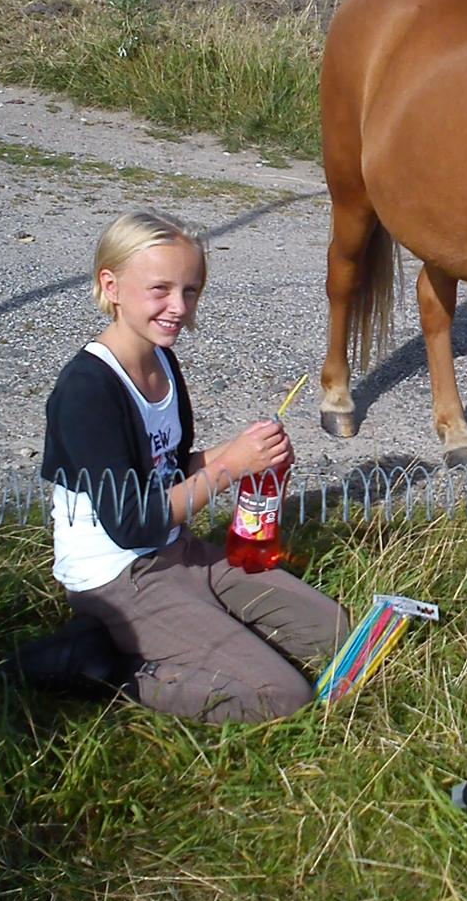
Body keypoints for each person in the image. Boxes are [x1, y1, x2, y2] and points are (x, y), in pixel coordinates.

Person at [39, 210, 347, 724]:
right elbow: (132, 521)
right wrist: (227, 466)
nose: (178, 307)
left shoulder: (162, 361)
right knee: (282, 696)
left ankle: (195, 630)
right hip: (115, 576)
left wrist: (250, 456)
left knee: (336, 634)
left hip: (176, 550)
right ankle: (108, 667)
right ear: (110, 285)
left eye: (191, 290)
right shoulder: (86, 390)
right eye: (160, 289)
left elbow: (173, 468)